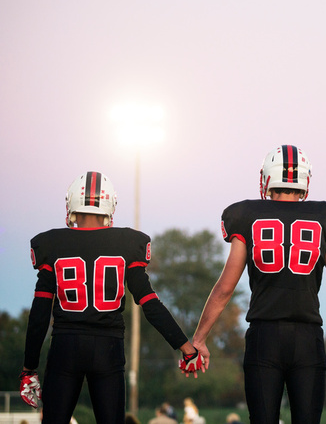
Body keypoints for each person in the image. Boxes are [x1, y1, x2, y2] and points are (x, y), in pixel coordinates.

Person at [191, 145, 326, 423]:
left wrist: (199, 339)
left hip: (263, 336)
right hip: (307, 338)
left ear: (267, 178)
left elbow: (224, 288)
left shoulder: (246, 215)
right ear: (304, 181)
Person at [19, 171, 201, 424]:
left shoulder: (52, 243)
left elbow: (39, 314)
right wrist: (185, 347)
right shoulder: (126, 242)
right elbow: (149, 303)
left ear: (71, 203)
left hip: (66, 346)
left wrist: (29, 368)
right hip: (108, 347)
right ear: (109, 205)